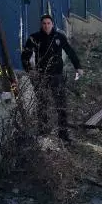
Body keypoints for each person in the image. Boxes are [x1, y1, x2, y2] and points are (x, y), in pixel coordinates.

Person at [21, 14, 83, 142]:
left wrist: (78, 66)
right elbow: (25, 55)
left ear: (53, 24)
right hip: (41, 76)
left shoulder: (59, 37)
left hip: (57, 76)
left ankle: (63, 134)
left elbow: (70, 51)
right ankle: (43, 132)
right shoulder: (34, 38)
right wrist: (30, 71)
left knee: (61, 104)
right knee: (42, 104)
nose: (46, 26)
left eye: (48, 23)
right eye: (44, 23)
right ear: (41, 25)